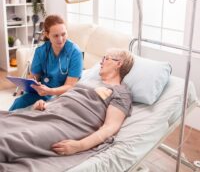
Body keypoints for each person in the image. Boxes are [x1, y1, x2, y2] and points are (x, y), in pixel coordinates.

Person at [0, 49, 134, 171]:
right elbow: (64, 98)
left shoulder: (121, 92)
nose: (101, 61)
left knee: (8, 141)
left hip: (67, 124)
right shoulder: (86, 82)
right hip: (48, 114)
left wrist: (80, 145)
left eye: (106, 58)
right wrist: (44, 104)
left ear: (118, 63)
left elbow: (110, 127)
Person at [9, 14, 83, 111]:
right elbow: (34, 76)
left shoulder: (74, 52)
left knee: (42, 111)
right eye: (56, 36)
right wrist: (31, 85)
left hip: (63, 94)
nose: (60, 39)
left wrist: (50, 91)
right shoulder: (41, 51)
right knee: (19, 102)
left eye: (63, 34)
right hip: (42, 92)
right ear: (47, 34)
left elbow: (70, 86)